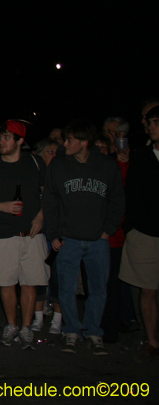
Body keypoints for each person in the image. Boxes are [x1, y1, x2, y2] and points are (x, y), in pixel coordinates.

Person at [44, 120, 125, 356]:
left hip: (97, 240)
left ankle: (93, 332)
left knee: (98, 289)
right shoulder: (59, 165)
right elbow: (50, 201)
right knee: (66, 289)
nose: (65, 144)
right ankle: (71, 331)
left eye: (70, 140)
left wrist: (107, 229)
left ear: (84, 142)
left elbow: (117, 199)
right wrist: (55, 234)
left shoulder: (106, 166)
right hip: (68, 239)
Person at [0, 120, 47, 350]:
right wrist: (1, 206)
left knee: (30, 282)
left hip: (32, 233)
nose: (3, 141)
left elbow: (49, 195)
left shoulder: (35, 163)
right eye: (1, 136)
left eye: (8, 137)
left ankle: (26, 328)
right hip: (3, 233)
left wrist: (40, 217)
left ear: (20, 141)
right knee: (6, 283)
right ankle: (11, 325)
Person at [119, 105, 159, 362]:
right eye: (150, 122)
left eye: (156, 121)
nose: (151, 126)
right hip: (145, 232)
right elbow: (131, 194)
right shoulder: (142, 156)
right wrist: (131, 227)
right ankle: (153, 341)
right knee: (148, 290)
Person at [30, 137, 64, 335]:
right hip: (37, 234)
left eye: (56, 152)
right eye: (50, 151)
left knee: (57, 278)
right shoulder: (34, 177)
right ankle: (38, 317)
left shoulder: (61, 175)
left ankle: (58, 319)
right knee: (37, 276)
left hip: (57, 234)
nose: (54, 155)